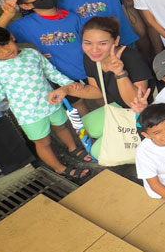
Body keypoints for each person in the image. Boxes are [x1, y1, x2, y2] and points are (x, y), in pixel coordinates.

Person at [0, 24, 88, 182]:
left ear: (11, 37)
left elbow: (51, 72)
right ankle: (59, 168)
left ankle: (73, 148)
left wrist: (68, 84)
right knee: (43, 142)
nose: (6, 51)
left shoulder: (31, 54)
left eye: (6, 43)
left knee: (62, 127)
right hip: (29, 115)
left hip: (52, 102)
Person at [62, 17, 153, 160]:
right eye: (87, 43)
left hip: (144, 112)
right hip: (119, 108)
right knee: (84, 126)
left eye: (102, 43)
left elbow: (134, 102)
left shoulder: (132, 58)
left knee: (97, 152)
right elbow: (96, 91)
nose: (94, 49)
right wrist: (66, 90)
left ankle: (149, 150)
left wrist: (120, 73)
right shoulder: (91, 58)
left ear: (116, 41)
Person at [0, 0, 86, 81]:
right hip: (65, 79)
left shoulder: (72, 16)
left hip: (93, 68)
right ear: (26, 6)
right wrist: (7, 15)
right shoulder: (25, 25)